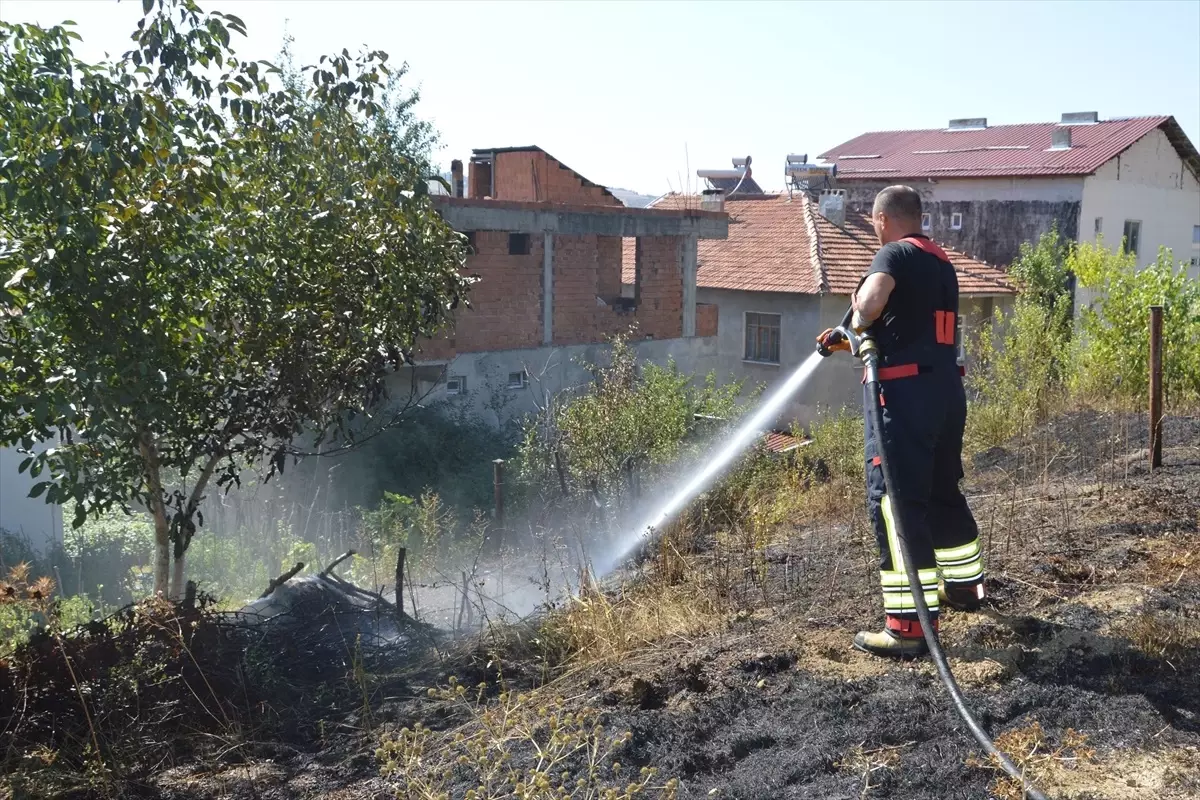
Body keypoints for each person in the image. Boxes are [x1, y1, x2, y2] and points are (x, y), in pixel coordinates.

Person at [818, 185, 986, 658]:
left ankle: (908, 628)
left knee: (894, 501)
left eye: (873, 223)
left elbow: (871, 305)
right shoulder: (941, 261)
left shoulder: (893, 253)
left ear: (882, 219)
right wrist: (847, 335)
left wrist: (852, 320)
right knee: (941, 490)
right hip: (946, 393)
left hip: (905, 396)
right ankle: (965, 589)